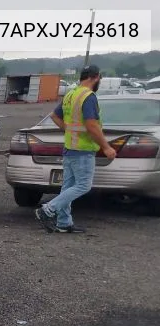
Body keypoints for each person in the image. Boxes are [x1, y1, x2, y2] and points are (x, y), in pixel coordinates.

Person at [35, 65, 116, 234]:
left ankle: (64, 222)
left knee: (68, 186)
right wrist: (106, 147)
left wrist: (68, 129)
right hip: (83, 150)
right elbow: (91, 124)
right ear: (95, 77)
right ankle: (48, 210)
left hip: (69, 148)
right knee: (83, 185)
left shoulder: (71, 95)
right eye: (99, 79)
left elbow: (54, 116)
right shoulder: (88, 96)